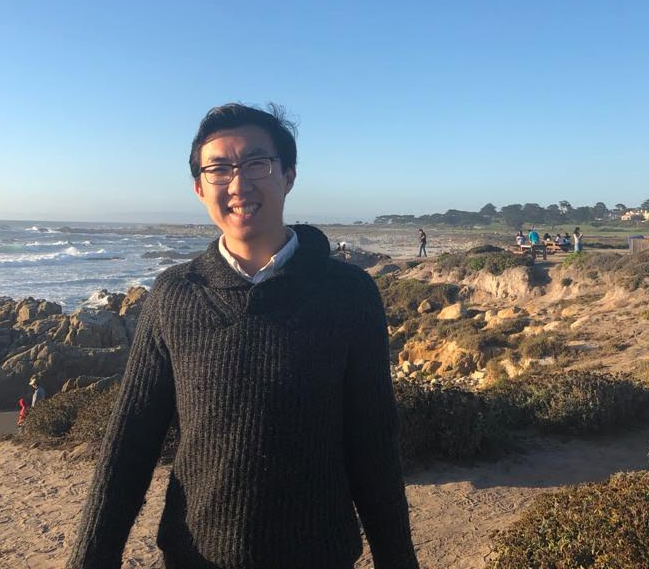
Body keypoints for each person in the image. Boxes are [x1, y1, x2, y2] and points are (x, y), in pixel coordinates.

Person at [69, 103, 418, 569]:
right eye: (218, 169)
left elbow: (373, 441)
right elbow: (131, 438)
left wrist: (399, 560)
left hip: (320, 556)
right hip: (194, 556)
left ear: (288, 175)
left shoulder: (349, 293)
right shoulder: (175, 293)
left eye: (257, 163)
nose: (238, 184)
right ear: (199, 187)